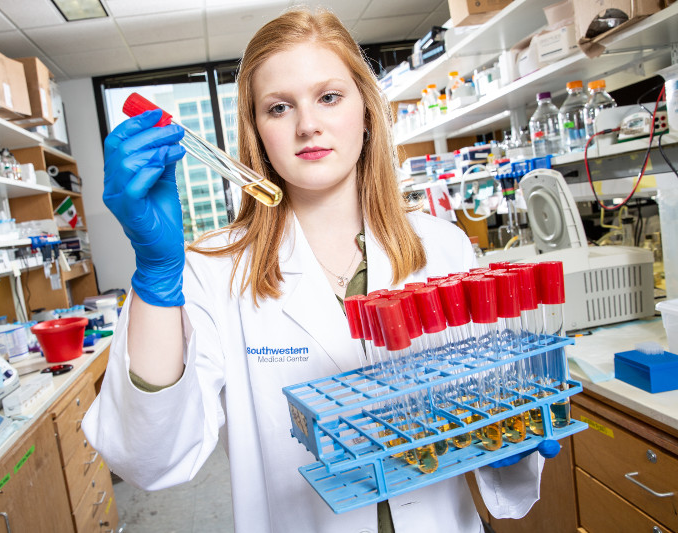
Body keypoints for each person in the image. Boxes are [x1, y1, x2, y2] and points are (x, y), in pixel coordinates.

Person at [83, 7, 554, 532]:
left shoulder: (443, 250)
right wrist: (154, 277)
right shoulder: (213, 271)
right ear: (257, 131)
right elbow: (151, 457)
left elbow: (491, 406)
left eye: (329, 97)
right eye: (279, 107)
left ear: (366, 111)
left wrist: (508, 440)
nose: (308, 125)